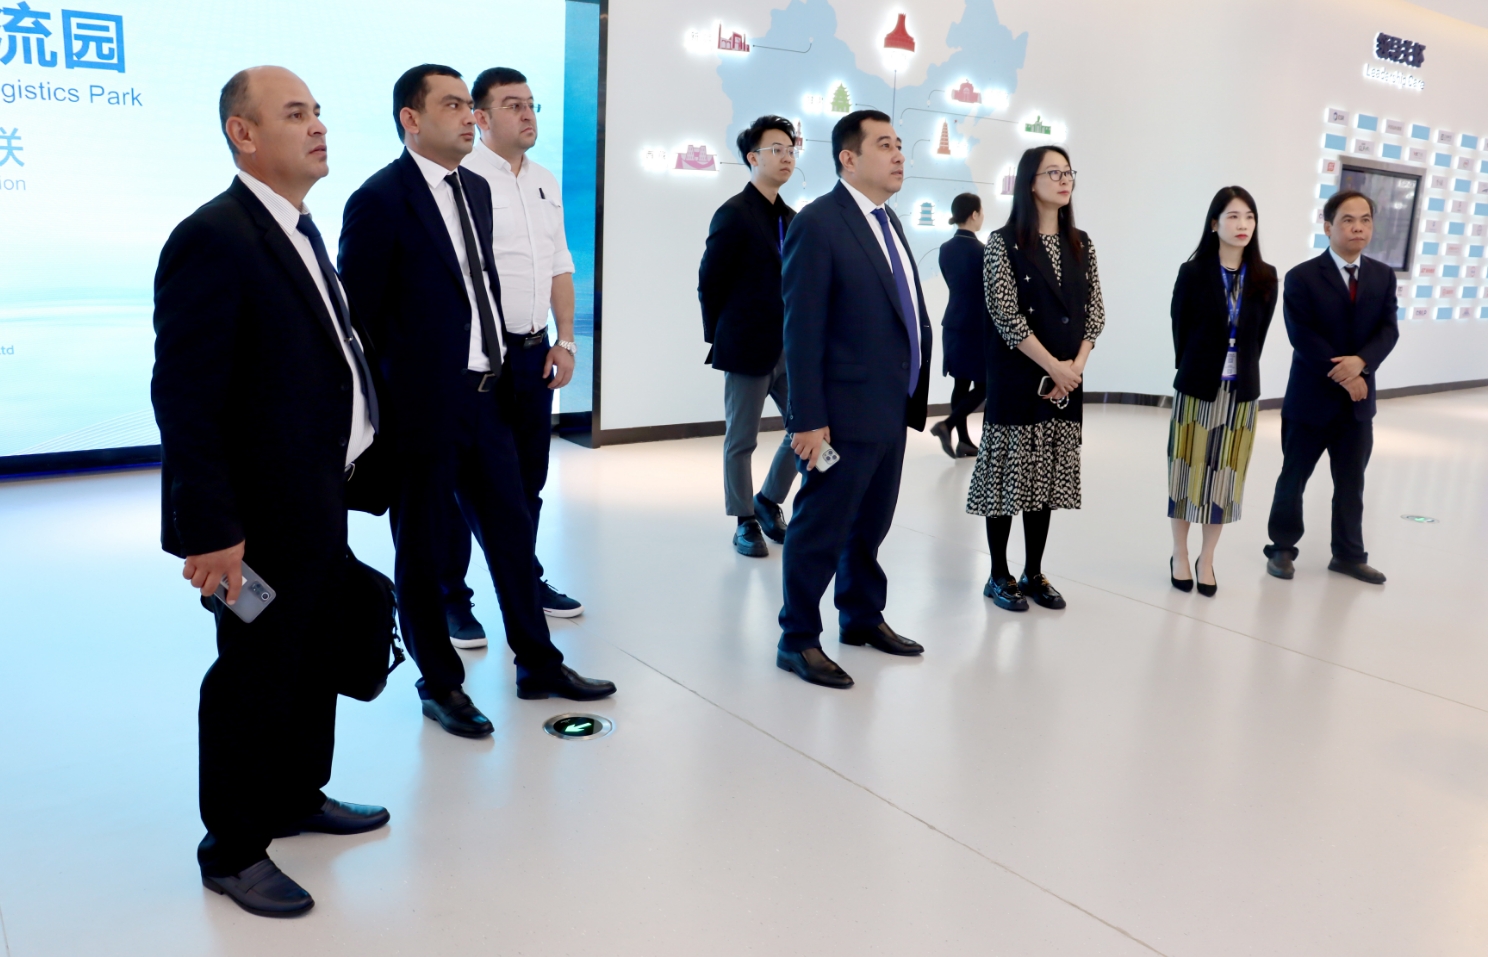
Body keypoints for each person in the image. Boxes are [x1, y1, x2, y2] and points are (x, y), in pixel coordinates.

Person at [152, 65, 390, 917]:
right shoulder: (214, 237)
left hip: (317, 499)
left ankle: (295, 795)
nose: (318, 126)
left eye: (319, 112)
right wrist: (210, 529)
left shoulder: (298, 228)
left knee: (312, 655)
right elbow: (185, 398)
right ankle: (233, 848)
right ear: (243, 134)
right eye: (295, 114)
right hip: (252, 523)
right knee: (253, 674)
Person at [338, 64, 614, 740]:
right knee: (424, 552)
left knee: (513, 534)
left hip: (489, 396)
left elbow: (481, 288)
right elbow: (358, 322)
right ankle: (440, 684)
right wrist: (383, 413)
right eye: (453, 105)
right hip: (422, 411)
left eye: (469, 104)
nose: (468, 117)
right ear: (411, 119)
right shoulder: (379, 199)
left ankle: (538, 663)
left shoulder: (476, 190)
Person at [775, 110, 932, 689]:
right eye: (884, 145)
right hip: (841, 414)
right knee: (820, 528)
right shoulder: (820, 223)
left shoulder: (887, 220)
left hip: (889, 405)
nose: (898, 155)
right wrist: (808, 418)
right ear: (849, 158)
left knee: (871, 524)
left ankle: (861, 616)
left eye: (900, 145)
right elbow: (801, 329)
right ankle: (797, 638)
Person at [437, 65, 583, 648]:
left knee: (529, 481)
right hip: (479, 362)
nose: (527, 115)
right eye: (513, 105)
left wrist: (565, 339)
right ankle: (453, 599)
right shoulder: (462, 179)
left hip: (533, 354)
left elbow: (560, 264)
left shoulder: (545, 180)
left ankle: (525, 577)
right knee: (464, 487)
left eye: (531, 104)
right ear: (481, 117)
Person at [968, 145, 1105, 612]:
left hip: (1065, 385)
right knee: (1006, 480)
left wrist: (1075, 368)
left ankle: (1033, 571)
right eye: (1054, 173)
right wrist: (1055, 368)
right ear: (1030, 183)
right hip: (1018, 379)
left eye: (1068, 172)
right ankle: (998, 574)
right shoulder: (1002, 243)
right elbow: (1006, 316)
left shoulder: (1081, 243)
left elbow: (1095, 313)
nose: (1065, 180)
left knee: (1045, 479)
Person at [1263, 189, 1398, 584]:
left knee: (1352, 483)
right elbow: (1302, 335)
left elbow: (1388, 330)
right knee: (1293, 478)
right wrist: (1349, 375)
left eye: (1365, 220)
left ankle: (1349, 555)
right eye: (1348, 220)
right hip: (1311, 399)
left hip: (1357, 405)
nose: (1358, 228)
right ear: (1328, 227)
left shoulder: (1382, 275)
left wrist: (1362, 363)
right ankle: (1282, 548)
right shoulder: (1302, 276)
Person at [698, 114, 800, 557]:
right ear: (753, 157)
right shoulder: (734, 213)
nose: (787, 157)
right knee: (741, 440)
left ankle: (768, 500)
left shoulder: (793, 218)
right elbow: (710, 282)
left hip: (790, 347)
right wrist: (720, 337)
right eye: (777, 149)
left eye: (791, 150)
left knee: (806, 428)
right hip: (745, 345)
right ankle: (743, 521)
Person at [1167, 186, 1277, 596]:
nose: (1242, 224)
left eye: (1249, 216)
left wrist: (1238, 367)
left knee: (1225, 479)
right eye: (1233, 216)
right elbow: (1179, 327)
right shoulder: (1193, 272)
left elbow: (1259, 336)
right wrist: (1198, 365)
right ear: (1214, 224)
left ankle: (1207, 558)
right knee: (1186, 472)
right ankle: (1180, 553)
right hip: (1197, 388)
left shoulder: (1265, 276)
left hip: (1240, 394)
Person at [929, 192, 989, 459]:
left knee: (961, 383)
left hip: (953, 323)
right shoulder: (983, 251)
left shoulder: (945, 249)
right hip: (977, 325)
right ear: (974, 214)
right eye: (981, 212)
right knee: (986, 385)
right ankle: (948, 425)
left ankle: (964, 441)